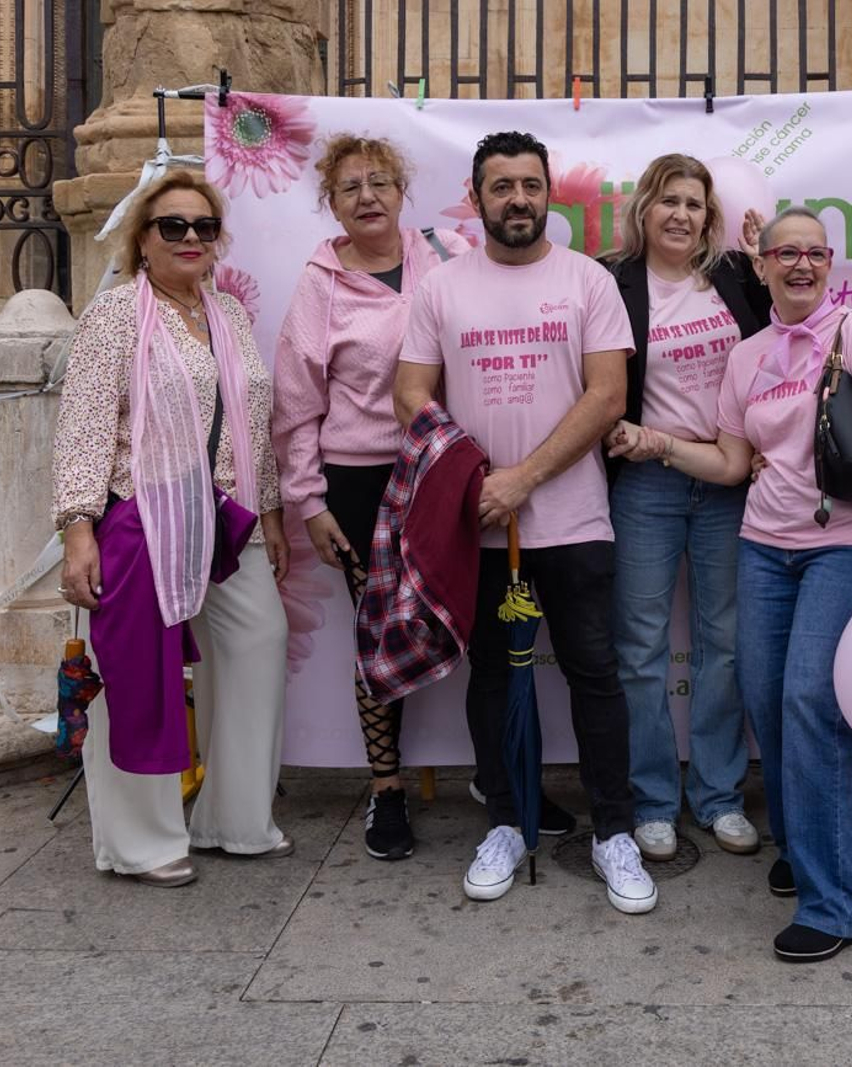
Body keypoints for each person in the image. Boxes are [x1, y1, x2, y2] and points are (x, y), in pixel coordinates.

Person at [607, 206, 852, 963]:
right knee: (765, 702)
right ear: (761, 266)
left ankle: (839, 900)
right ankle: (800, 844)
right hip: (762, 547)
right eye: (786, 253)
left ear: (829, 265)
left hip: (843, 546)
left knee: (811, 702)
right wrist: (657, 444)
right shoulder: (748, 356)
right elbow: (727, 461)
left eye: (815, 253)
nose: (801, 265)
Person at [393, 131, 657, 915]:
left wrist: (522, 479)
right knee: (495, 679)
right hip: (478, 524)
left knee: (596, 674)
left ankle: (614, 832)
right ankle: (507, 820)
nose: (518, 199)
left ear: (549, 194)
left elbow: (607, 396)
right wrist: (472, 476)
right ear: (476, 200)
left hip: (573, 520)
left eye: (530, 185)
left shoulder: (587, 282)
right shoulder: (442, 288)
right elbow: (411, 393)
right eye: (501, 186)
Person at [53, 169, 291, 887]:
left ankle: (233, 817)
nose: (191, 238)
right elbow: (85, 422)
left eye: (204, 226)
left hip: (227, 513)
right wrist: (77, 528)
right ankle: (140, 841)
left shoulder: (229, 317)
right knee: (141, 672)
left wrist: (271, 511)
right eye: (173, 226)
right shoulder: (118, 314)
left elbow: (253, 422)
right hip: (142, 511)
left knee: (259, 640)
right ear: (143, 241)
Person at [272, 134, 471, 862]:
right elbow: (296, 404)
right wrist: (310, 503)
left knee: (467, 612)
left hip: (444, 468)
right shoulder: (321, 281)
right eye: (351, 186)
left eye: (380, 182)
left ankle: (498, 779)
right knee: (382, 632)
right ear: (331, 201)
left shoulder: (447, 251)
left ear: (402, 191)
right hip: (359, 480)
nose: (367, 197)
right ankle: (385, 789)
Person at [604, 154, 772, 862]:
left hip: (726, 479)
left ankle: (719, 795)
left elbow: (779, 356)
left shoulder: (735, 277)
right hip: (647, 479)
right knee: (640, 648)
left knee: (724, 644)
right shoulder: (614, 281)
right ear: (644, 209)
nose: (680, 214)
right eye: (668, 200)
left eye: (694, 203)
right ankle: (651, 800)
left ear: (710, 216)